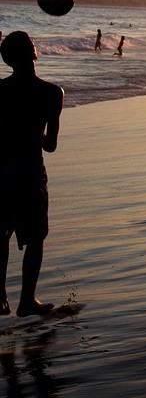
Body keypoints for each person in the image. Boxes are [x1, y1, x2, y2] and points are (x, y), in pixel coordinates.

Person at [0, 31, 63, 317]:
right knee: (36, 237)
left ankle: (0, 297)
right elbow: (50, 146)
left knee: (1, 235)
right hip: (31, 172)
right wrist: (32, 132)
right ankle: (27, 300)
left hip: (1, 171)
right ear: (35, 53)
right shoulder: (52, 92)